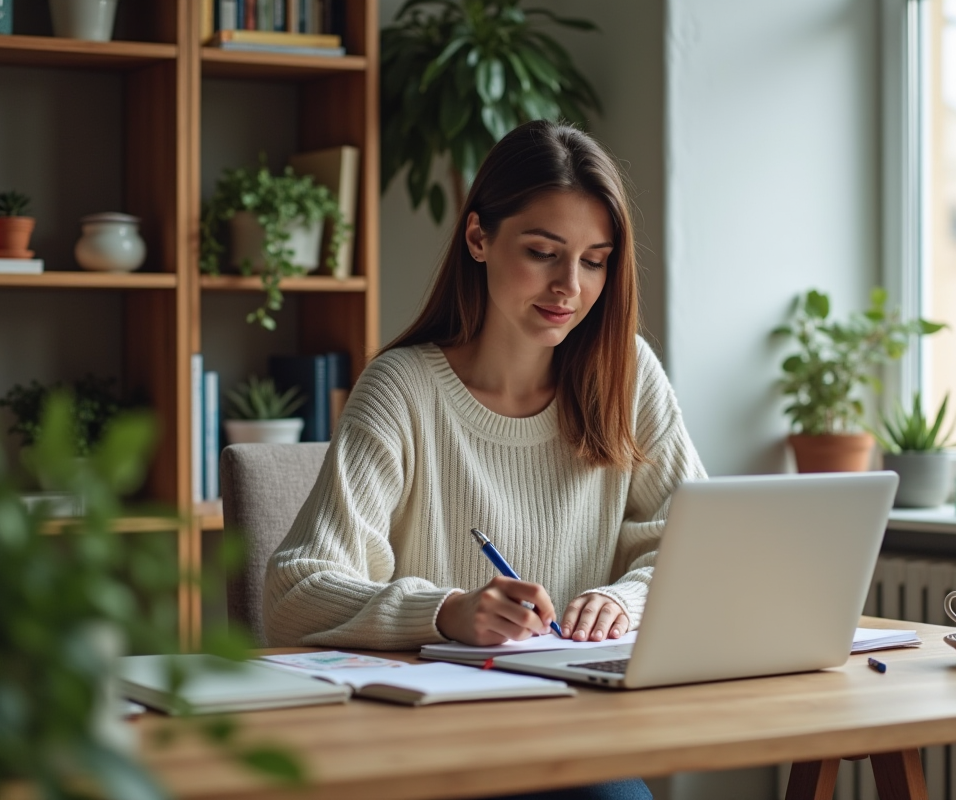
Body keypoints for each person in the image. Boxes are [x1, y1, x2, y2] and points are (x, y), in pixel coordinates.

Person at [263, 119, 706, 799]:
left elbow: (698, 542)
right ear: (478, 238)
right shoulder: (404, 387)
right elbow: (293, 590)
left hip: (579, 731)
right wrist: (446, 612)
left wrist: (623, 600)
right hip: (429, 747)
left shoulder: (626, 374)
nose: (570, 287)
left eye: (594, 259)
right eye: (542, 252)